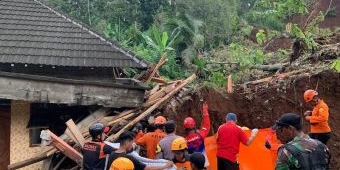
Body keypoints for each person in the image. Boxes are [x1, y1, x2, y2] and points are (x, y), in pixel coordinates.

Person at [107, 131, 174, 170]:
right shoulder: (128, 158)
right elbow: (148, 168)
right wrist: (166, 166)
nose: (133, 144)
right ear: (127, 142)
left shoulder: (112, 154)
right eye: (132, 142)